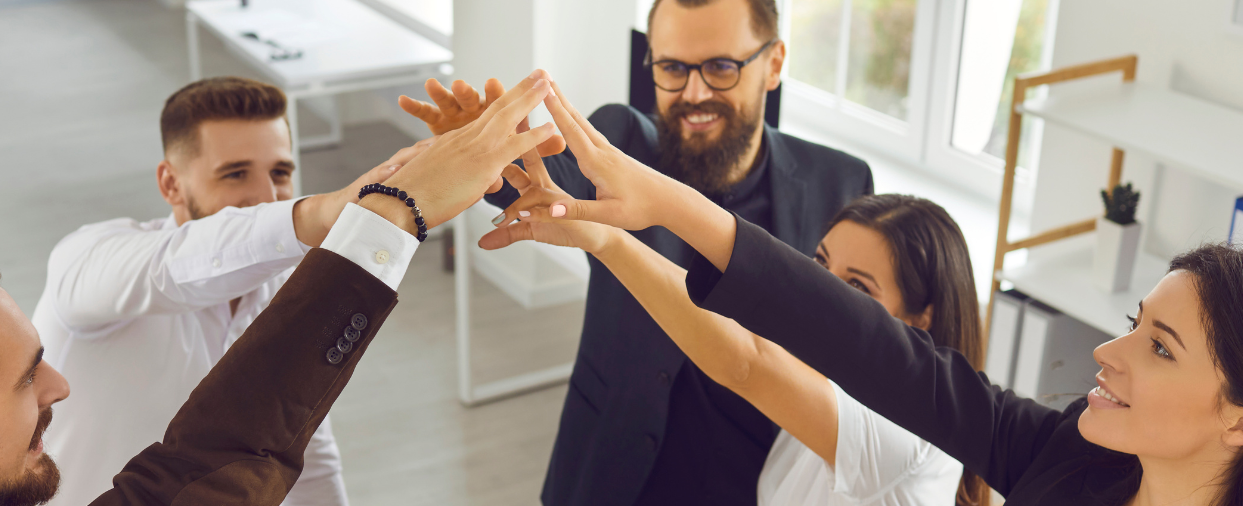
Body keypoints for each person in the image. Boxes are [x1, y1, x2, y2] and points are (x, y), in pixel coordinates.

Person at [0, 72, 562, 506]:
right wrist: (368, 212)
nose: (56, 384)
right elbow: (184, 275)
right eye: (24, 379)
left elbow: (255, 435)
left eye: (281, 173)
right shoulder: (90, 261)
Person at [519, 76, 1243, 506]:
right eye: (1132, 321)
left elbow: (754, 361)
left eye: (1159, 346)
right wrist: (658, 214)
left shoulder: (928, 452)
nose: (1106, 351)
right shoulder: (1073, 458)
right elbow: (870, 348)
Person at [401, 0, 872, 503]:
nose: (694, 94)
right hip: (609, 471)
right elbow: (551, 186)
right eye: (672, 68)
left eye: (720, 67)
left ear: (774, 64)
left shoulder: (841, 183)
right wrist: (492, 159)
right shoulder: (620, 140)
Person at [484, 142, 986, 505]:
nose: (825, 294)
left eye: (856, 288)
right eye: (820, 264)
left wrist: (608, 239)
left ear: (923, 318)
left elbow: (746, 361)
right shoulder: (828, 378)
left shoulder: (918, 429)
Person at [33, 76, 424, 506]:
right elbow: (172, 264)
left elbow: (304, 448)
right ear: (170, 184)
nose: (266, 195)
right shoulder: (86, 262)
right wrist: (320, 215)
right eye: (235, 173)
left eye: (280, 172)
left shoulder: (287, 288)